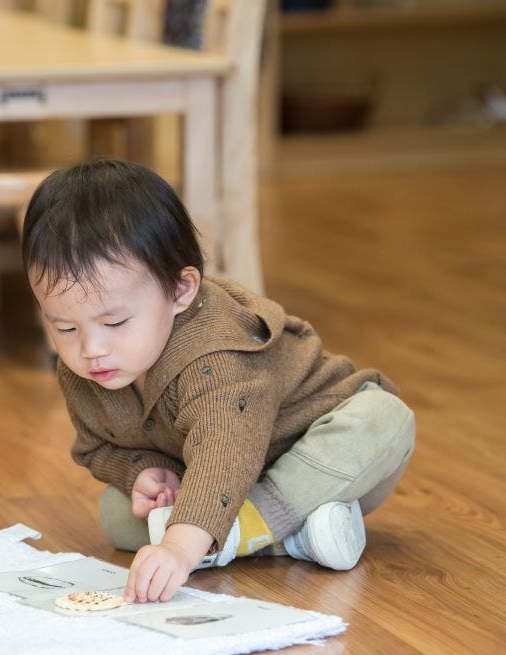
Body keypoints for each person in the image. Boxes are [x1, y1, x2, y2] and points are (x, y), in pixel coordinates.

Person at [21, 159, 415, 604]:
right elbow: (96, 446)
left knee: (386, 418)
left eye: (115, 322)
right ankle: (292, 537)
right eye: (65, 329)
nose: (91, 350)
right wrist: (138, 473)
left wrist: (175, 548)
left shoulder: (215, 354)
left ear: (180, 290)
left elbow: (224, 451)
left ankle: (231, 535)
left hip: (312, 456)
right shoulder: (88, 368)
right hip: (222, 482)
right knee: (117, 514)